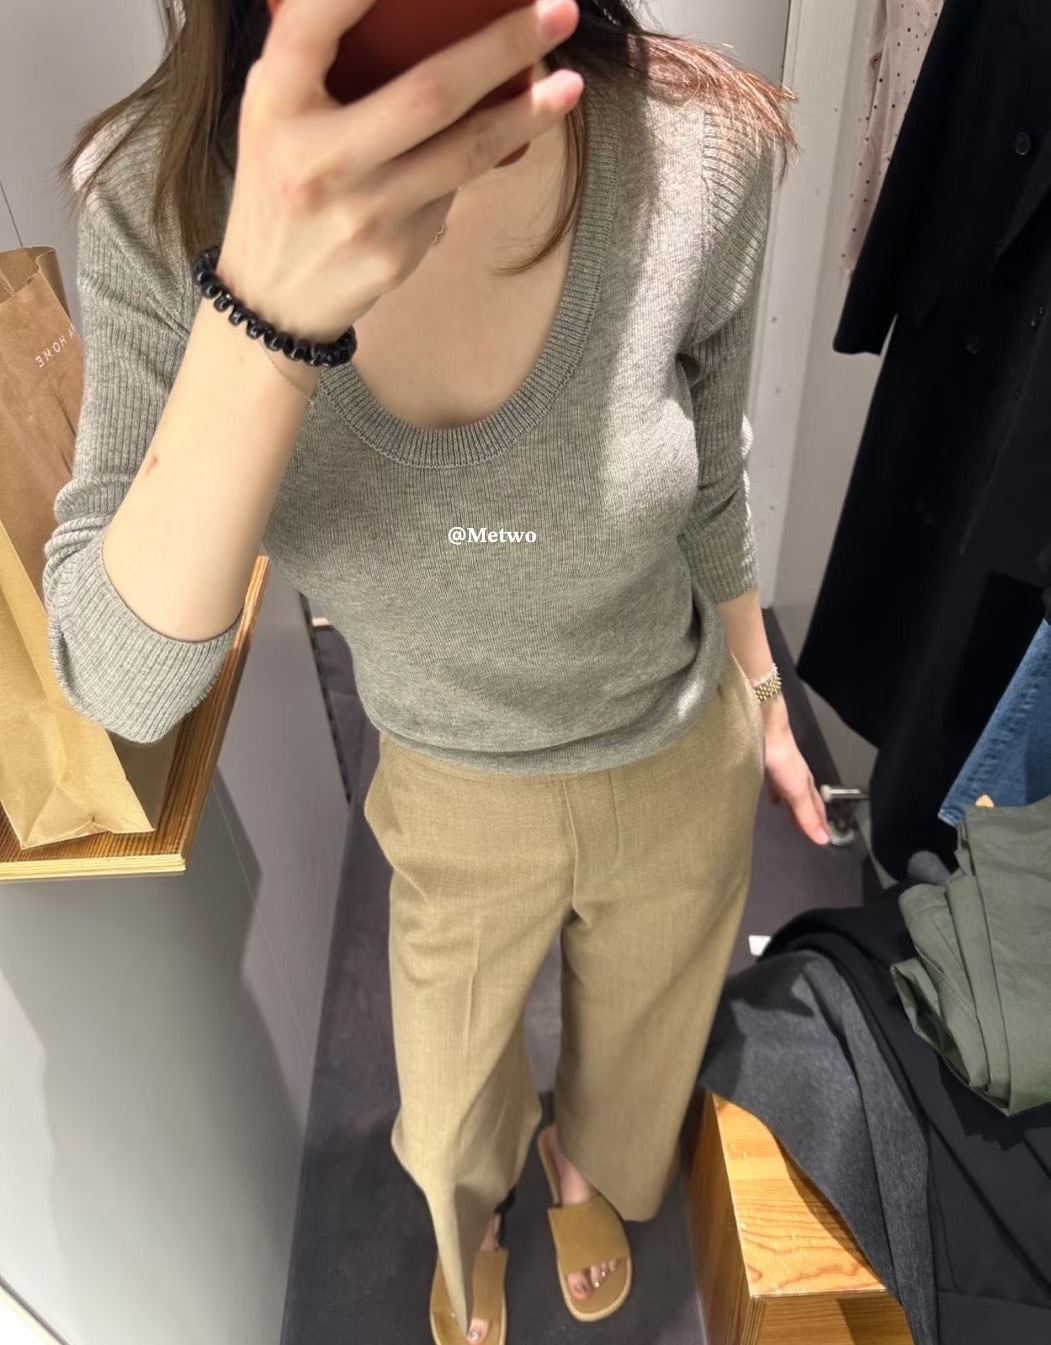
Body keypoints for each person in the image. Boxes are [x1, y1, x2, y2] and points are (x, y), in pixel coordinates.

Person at [44, 1, 829, 1341]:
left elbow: (713, 476)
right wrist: (262, 315)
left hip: (674, 750)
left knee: (641, 1077)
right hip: (449, 785)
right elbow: (122, 685)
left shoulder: (698, 146)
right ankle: (470, 1231)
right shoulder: (161, 200)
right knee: (449, 1107)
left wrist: (763, 694)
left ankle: (581, 1169)